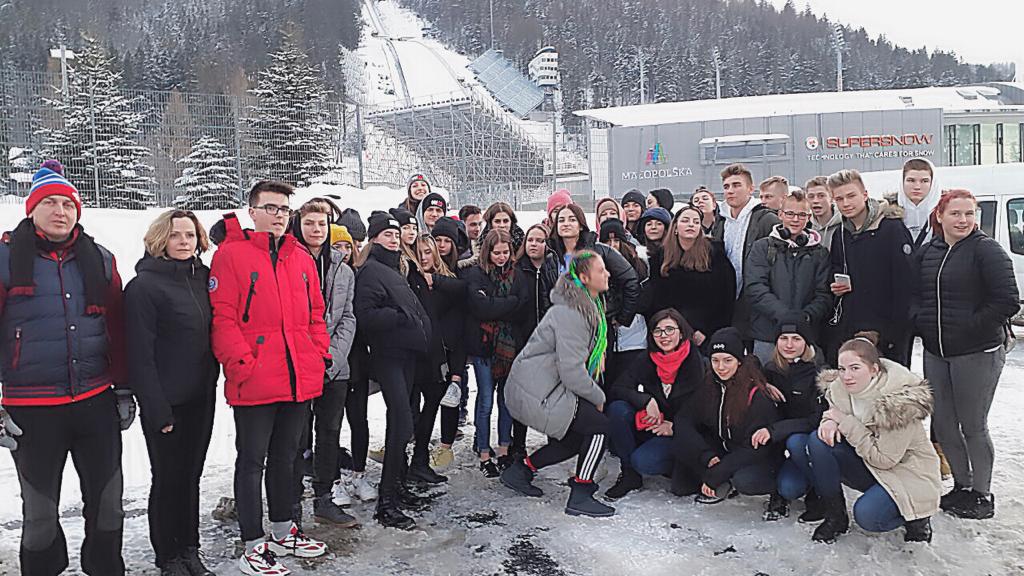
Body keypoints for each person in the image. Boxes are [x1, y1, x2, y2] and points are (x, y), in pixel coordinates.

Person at [0, 161, 129, 576]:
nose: (60, 211)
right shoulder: (5, 260)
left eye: (68, 204)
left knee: (108, 506)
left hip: (95, 404)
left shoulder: (100, 259)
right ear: (31, 209)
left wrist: (123, 388)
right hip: (31, 411)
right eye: (50, 203)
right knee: (39, 515)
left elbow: (117, 328)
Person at [209, 181, 330, 574]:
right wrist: (242, 364)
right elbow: (223, 318)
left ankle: (282, 528)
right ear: (253, 212)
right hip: (255, 378)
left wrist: (318, 353)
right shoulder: (231, 254)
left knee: (287, 457)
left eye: (284, 209)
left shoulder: (299, 256)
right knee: (251, 462)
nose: (279, 216)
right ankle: (252, 543)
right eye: (271, 208)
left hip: (297, 375)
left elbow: (316, 314)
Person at [914, 189, 1019, 520]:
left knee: (973, 425)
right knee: (944, 424)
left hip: (977, 352)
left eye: (969, 214)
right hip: (936, 352)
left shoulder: (986, 250)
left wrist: (970, 327)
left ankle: (982, 494)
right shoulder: (930, 251)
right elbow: (916, 293)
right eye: (955, 213)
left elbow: (1007, 301)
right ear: (940, 215)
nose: (963, 220)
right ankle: (962, 485)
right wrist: (920, 321)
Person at [126, 210, 219, 576]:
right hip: (165, 400)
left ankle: (190, 548)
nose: (183, 241)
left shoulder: (203, 278)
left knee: (191, 475)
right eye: (175, 235)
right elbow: (139, 354)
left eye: (190, 235)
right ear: (160, 239)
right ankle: (168, 556)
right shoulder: (144, 287)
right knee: (167, 478)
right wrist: (155, 407)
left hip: (201, 397)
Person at [501, 251, 616, 518]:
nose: (607, 274)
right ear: (584, 278)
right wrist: (598, 398)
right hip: (537, 393)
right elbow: (571, 371)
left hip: (542, 388)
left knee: (574, 438)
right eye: (601, 270)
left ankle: (521, 470)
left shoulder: (584, 306)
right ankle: (581, 493)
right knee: (599, 427)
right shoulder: (573, 314)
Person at [808, 333, 940, 544]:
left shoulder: (897, 403)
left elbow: (885, 460)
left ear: (874, 369)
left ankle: (917, 517)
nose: (846, 376)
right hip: (869, 462)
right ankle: (835, 516)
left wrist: (844, 421)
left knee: (868, 517)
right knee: (818, 441)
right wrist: (829, 421)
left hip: (906, 472)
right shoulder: (841, 389)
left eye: (855, 368)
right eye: (842, 369)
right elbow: (834, 412)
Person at [353, 212, 431, 530]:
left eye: (397, 235)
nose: (394, 239)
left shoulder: (393, 268)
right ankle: (386, 504)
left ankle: (397, 487)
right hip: (388, 356)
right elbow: (365, 315)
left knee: (401, 423)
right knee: (401, 423)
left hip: (406, 354)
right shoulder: (371, 270)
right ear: (374, 238)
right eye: (387, 234)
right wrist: (401, 317)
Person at [288, 199, 360, 528]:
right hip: (299, 363)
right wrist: (308, 357)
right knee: (295, 436)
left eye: (322, 224)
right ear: (298, 225)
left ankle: (324, 499)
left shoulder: (343, 268)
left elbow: (348, 317)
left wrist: (332, 357)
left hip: (334, 365)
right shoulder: (288, 262)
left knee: (329, 433)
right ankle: (290, 506)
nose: (317, 230)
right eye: (310, 223)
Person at [672, 328, 781, 506]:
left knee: (745, 480)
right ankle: (721, 479)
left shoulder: (756, 394)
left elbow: (756, 448)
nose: (721, 367)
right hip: (721, 448)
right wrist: (706, 455)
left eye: (727, 360)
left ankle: (772, 490)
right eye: (715, 360)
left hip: (751, 455)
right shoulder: (709, 383)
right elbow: (684, 419)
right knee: (681, 484)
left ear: (739, 361)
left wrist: (719, 472)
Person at [605, 309, 705, 500]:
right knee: (617, 410)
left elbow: (704, 412)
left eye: (670, 329)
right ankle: (629, 474)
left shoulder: (697, 363)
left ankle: (676, 467)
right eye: (658, 331)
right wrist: (646, 400)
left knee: (645, 461)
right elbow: (618, 388)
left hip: (681, 432)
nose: (663, 336)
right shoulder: (647, 358)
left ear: (681, 333)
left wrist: (675, 427)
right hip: (652, 424)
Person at [826, 169, 914, 366]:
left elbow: (906, 285)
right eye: (839, 199)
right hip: (852, 329)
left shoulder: (891, 229)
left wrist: (891, 334)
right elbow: (836, 270)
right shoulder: (840, 234)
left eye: (851, 196)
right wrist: (836, 286)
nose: (846, 203)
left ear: (865, 195)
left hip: (888, 334)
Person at [465, 229, 530, 475]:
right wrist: (508, 304)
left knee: (506, 401)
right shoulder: (477, 274)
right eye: (497, 253)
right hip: (484, 347)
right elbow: (480, 308)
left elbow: (522, 308)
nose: (501, 257)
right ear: (488, 252)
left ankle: (504, 449)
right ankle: (484, 453)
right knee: (485, 401)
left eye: (505, 252)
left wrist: (495, 305)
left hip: (509, 347)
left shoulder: (517, 275)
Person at [744, 190, 831, 364]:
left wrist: (805, 317)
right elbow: (755, 288)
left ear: (809, 217)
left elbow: (824, 294)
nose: (795, 219)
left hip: (805, 336)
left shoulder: (820, 253)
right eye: (790, 213)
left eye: (801, 215)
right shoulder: (762, 247)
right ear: (780, 214)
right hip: (767, 335)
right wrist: (785, 316)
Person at [756, 315, 828, 523]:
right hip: (780, 441)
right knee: (788, 487)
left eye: (796, 339)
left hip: (807, 442)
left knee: (795, 443)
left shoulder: (818, 373)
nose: (789, 345)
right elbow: (747, 365)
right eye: (783, 338)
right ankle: (777, 492)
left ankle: (819, 491)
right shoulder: (770, 369)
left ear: (806, 343)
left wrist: (775, 430)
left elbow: (815, 419)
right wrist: (762, 384)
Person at [405, 234, 464, 484]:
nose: (423, 258)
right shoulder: (408, 279)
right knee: (409, 411)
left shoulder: (446, 280)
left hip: (438, 357)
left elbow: (462, 294)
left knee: (431, 407)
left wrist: (435, 280)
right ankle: (405, 461)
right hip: (414, 355)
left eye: (427, 252)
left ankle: (419, 460)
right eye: (418, 253)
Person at [643, 205, 735, 352]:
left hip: (707, 333)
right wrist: (679, 329)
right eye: (685, 220)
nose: (691, 225)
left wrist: (707, 331)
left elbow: (726, 296)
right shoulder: (660, 257)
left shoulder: (714, 253)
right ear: (675, 227)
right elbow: (657, 301)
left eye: (696, 222)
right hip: (672, 333)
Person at [710, 163, 780, 340]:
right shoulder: (720, 221)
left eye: (736, 185)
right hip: (726, 302)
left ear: (750, 189)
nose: (730, 191)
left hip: (758, 304)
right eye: (726, 187)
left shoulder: (767, 219)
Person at [548, 203, 639, 333]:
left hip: (596, 326)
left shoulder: (599, 250)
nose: (566, 224)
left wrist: (622, 317)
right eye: (561, 220)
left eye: (572, 220)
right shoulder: (551, 257)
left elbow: (630, 279)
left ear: (581, 225)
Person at [427, 218, 471, 469]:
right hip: (430, 343)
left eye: (447, 241)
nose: (442, 245)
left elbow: (464, 289)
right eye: (438, 240)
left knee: (451, 395)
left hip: (455, 341)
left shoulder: (462, 269)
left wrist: (436, 280)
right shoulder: (423, 266)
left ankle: (445, 446)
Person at [599, 218, 649, 386]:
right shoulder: (597, 266)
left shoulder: (639, 264)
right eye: (607, 241)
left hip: (633, 336)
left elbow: (644, 299)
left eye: (616, 241)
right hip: (607, 338)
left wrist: (623, 316)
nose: (612, 245)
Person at [897, 158, 941, 249]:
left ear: (933, 183)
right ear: (902, 182)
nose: (917, 187)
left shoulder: (946, 213)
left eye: (924, 181)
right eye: (911, 180)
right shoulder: (887, 216)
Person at [805, 176, 842, 251]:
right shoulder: (805, 227)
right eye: (811, 196)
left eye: (821, 196)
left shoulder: (845, 225)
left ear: (832, 198)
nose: (815, 201)